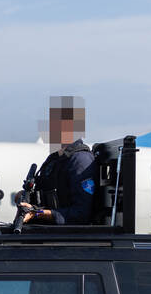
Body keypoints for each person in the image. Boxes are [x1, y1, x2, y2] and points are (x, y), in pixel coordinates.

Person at [18, 97, 97, 226]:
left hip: (66, 235)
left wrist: (38, 213)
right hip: (48, 231)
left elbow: (81, 214)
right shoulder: (54, 159)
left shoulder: (80, 161)